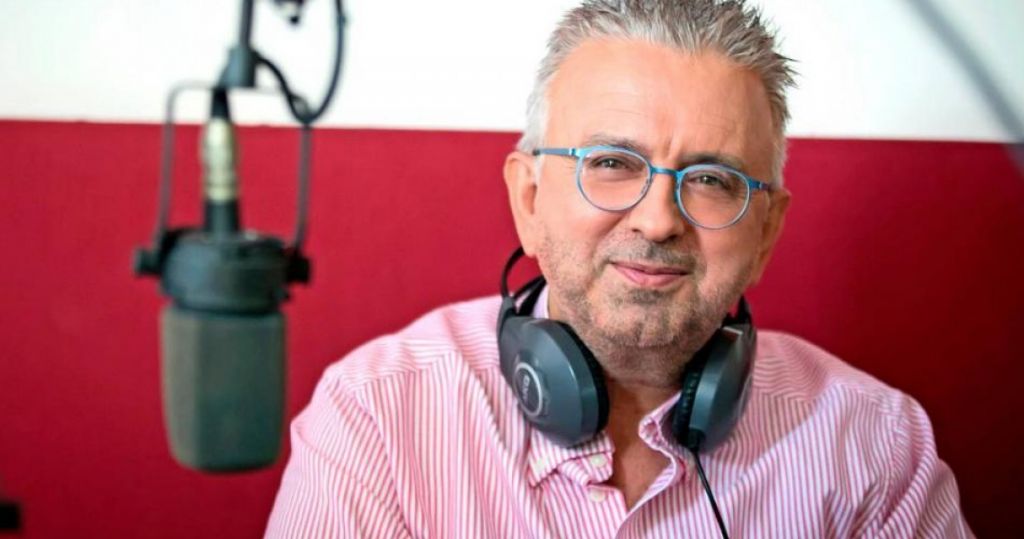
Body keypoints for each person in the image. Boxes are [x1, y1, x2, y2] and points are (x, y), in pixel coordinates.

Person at [266, 1, 972, 537]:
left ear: (765, 233)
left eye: (711, 179)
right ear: (529, 200)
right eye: (611, 163)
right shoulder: (379, 418)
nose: (659, 219)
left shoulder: (876, 448)